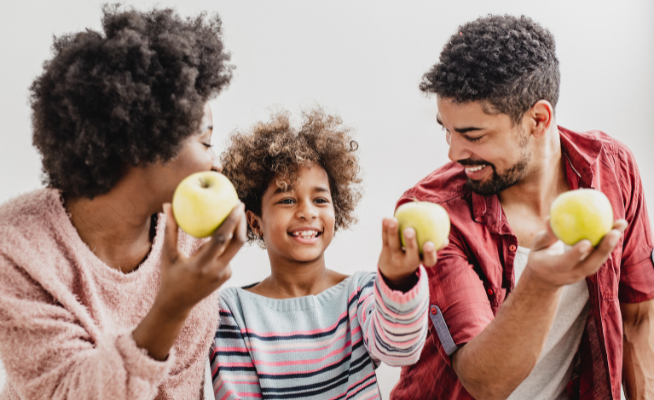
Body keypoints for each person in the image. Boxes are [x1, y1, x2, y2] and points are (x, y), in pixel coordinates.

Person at [0, 6, 246, 399]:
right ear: (145, 143)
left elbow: (180, 391)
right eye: (205, 140)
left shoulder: (191, 240)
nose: (216, 161)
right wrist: (170, 308)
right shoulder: (11, 244)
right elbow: (66, 391)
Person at [390, 15, 654, 400]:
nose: (453, 152)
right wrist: (541, 283)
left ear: (538, 119)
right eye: (446, 129)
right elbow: (485, 382)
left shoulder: (613, 169)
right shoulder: (435, 213)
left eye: (473, 135)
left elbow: (639, 316)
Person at [210, 109, 438, 399]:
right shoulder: (233, 311)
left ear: (336, 210)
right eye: (287, 199)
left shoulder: (360, 292)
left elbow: (400, 350)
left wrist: (399, 279)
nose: (307, 211)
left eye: (320, 199)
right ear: (255, 222)